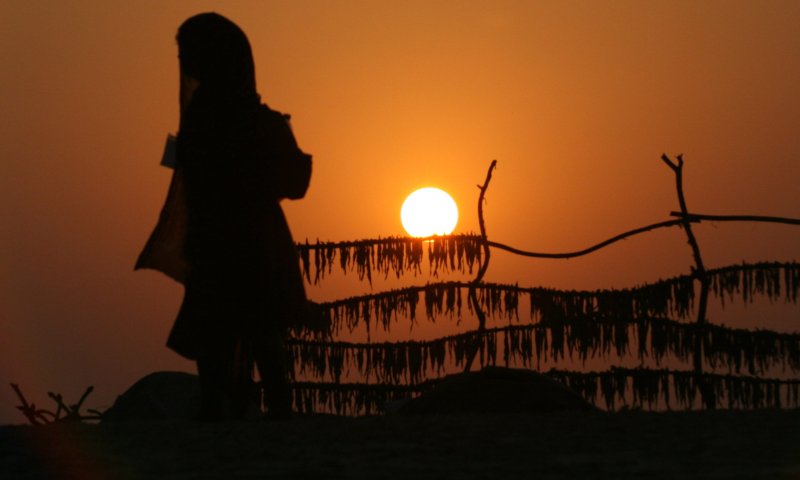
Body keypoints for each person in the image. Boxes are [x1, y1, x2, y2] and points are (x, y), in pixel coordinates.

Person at [140, 12, 311, 420]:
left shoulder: (226, 120)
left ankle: (241, 412)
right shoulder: (240, 118)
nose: (186, 63)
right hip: (235, 238)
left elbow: (288, 181)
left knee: (246, 330)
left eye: (191, 54)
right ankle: (249, 412)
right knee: (236, 330)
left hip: (235, 240)